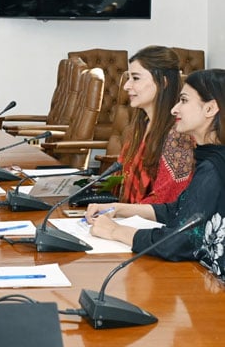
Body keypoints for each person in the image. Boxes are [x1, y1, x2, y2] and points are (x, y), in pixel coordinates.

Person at [85, 69, 225, 274]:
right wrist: (118, 208)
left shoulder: (214, 168)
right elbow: (178, 210)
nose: (174, 109)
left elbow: (179, 242)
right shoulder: (210, 158)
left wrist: (115, 230)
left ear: (210, 108)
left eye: (184, 101)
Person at [118, 45, 195, 203]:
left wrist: (118, 213)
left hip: (153, 224)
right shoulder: (142, 124)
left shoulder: (179, 135)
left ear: (163, 82)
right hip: (126, 218)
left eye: (136, 78)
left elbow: (166, 202)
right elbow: (120, 178)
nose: (126, 86)